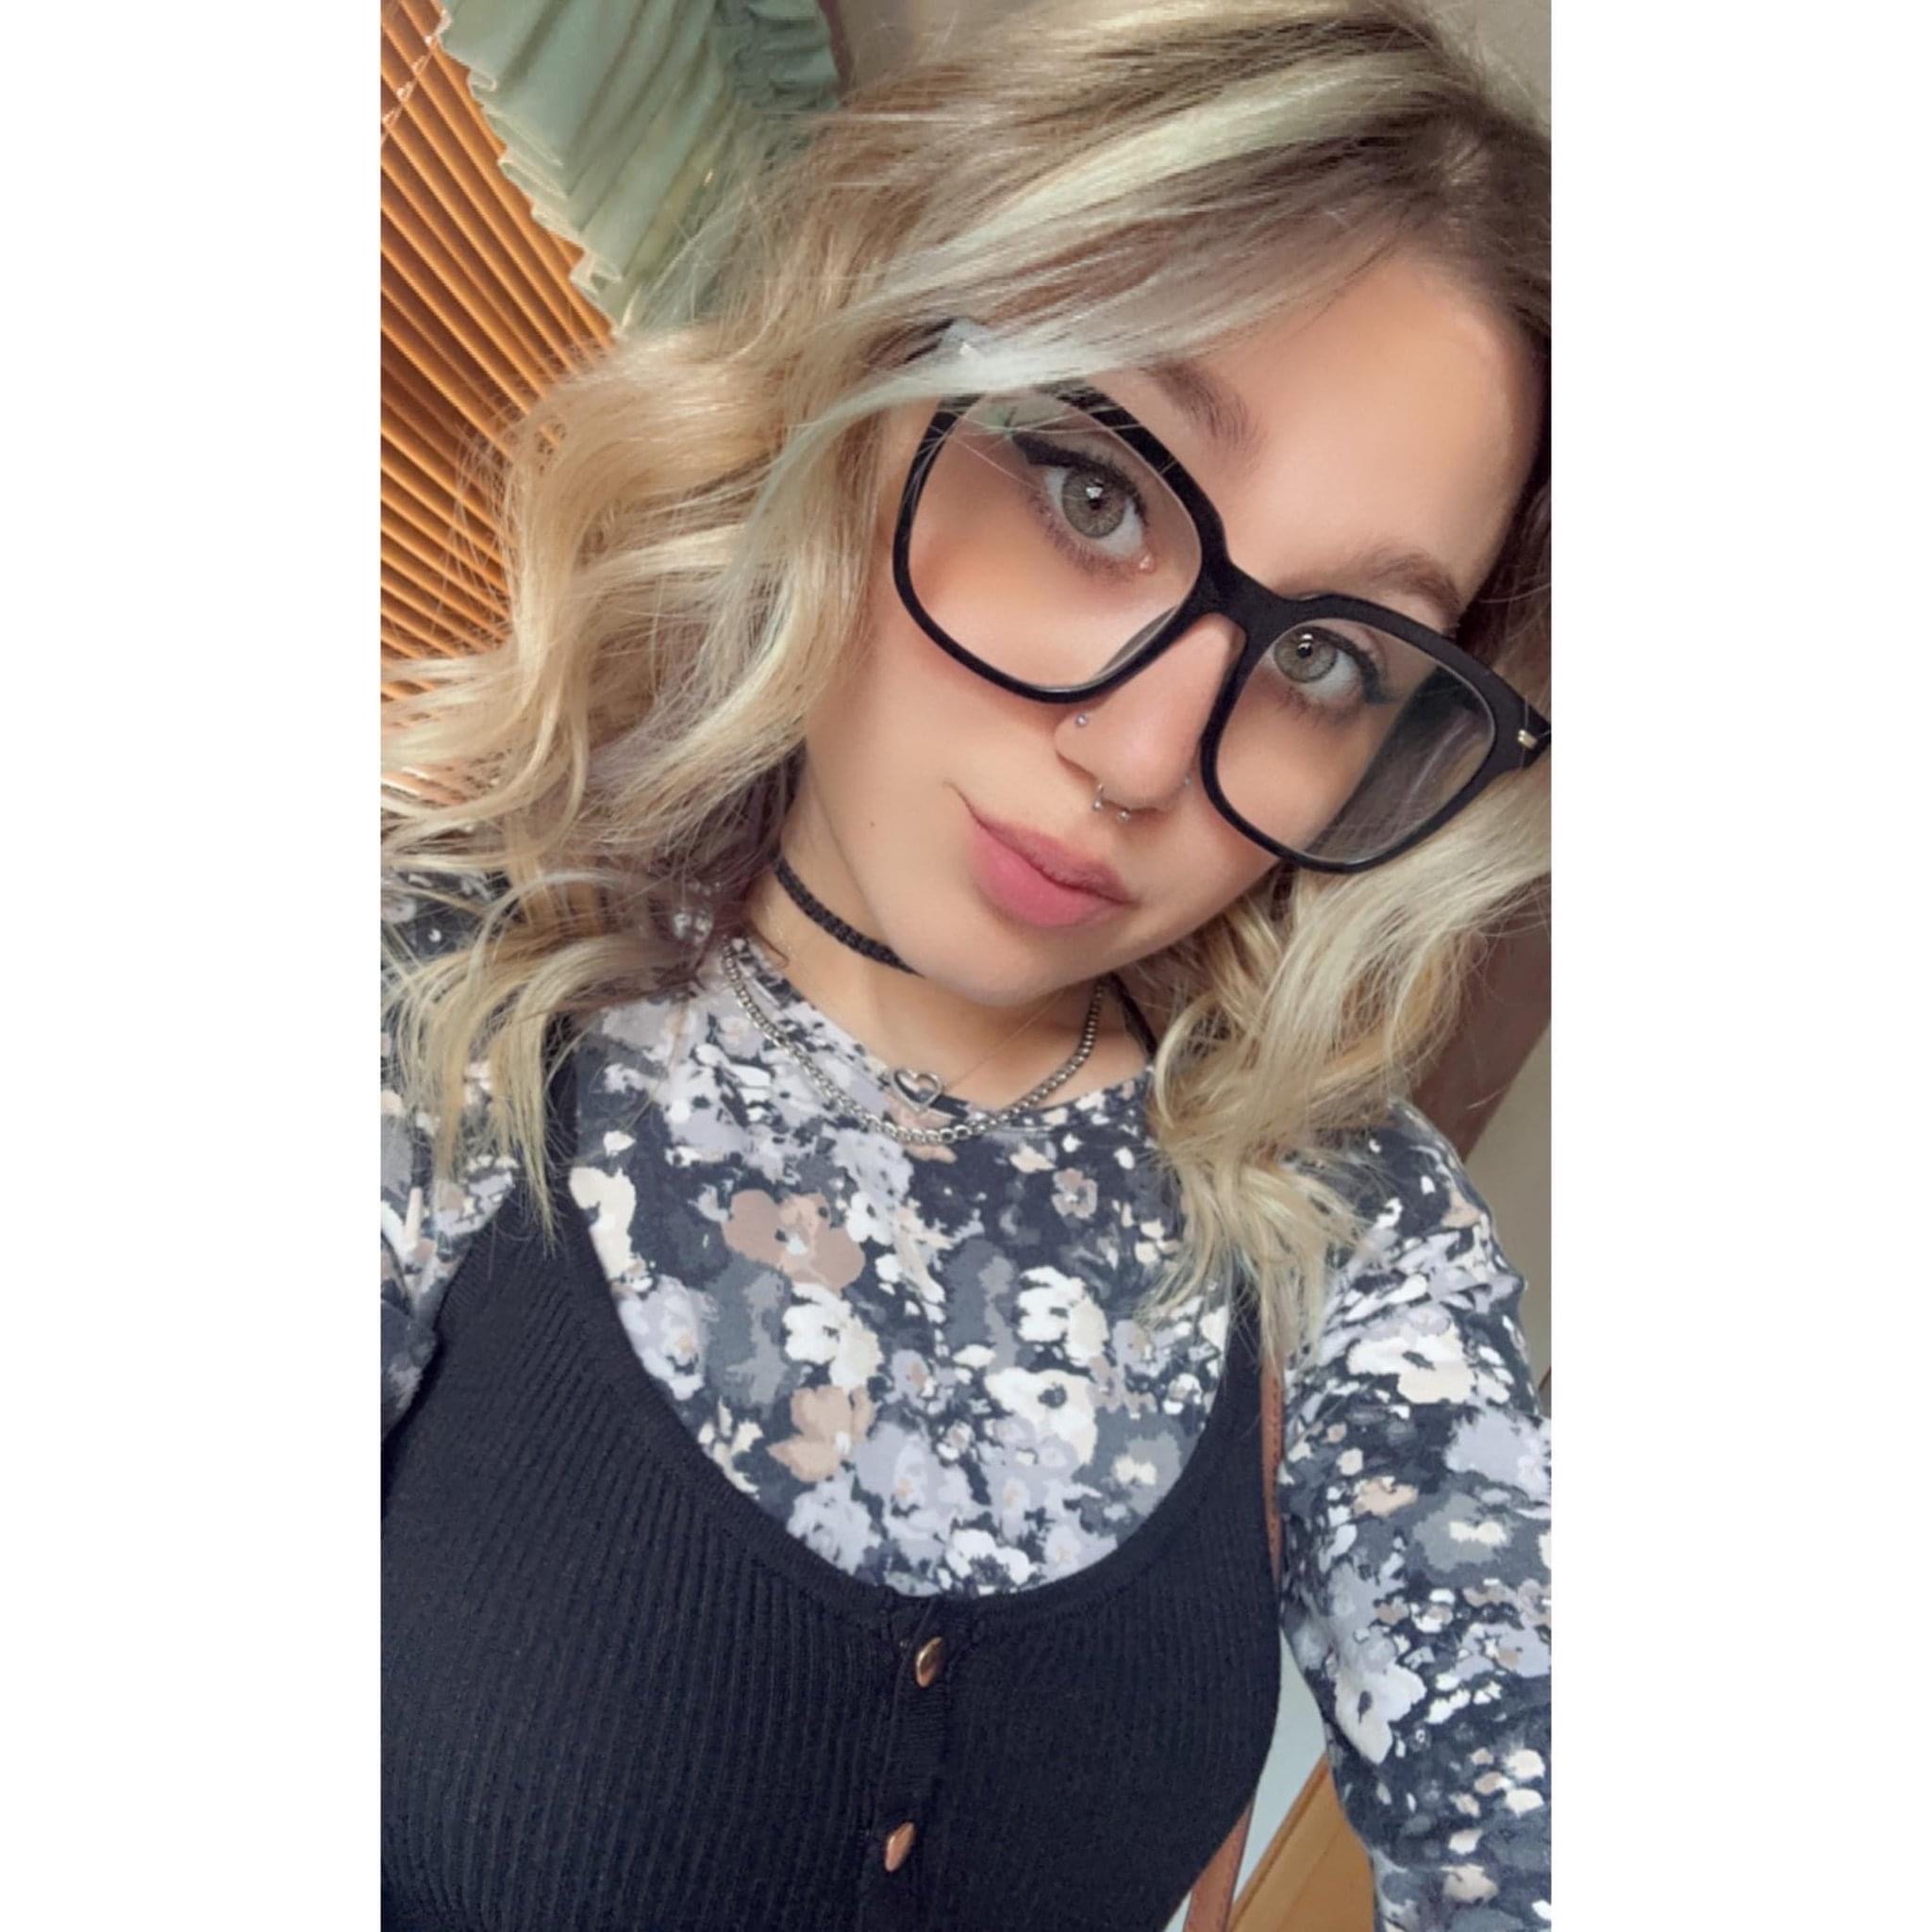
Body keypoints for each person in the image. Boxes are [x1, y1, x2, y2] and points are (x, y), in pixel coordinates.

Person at [380, 2, 1552, 1927]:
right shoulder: (438, 978)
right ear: (874, 372)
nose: (1146, 756)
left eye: (1329, 657)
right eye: (1096, 489)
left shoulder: (1348, 1224)